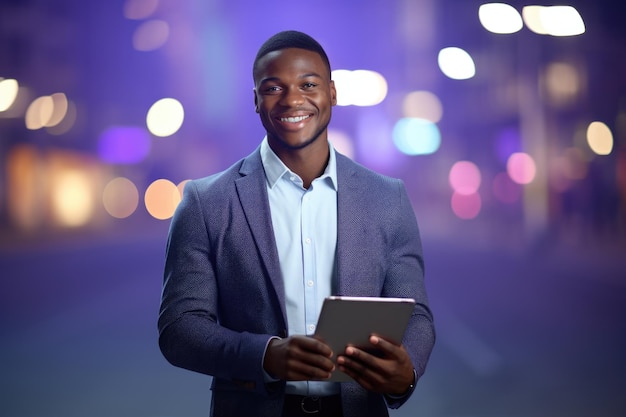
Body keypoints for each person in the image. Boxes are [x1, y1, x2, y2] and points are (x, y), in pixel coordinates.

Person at [158, 30, 435, 417]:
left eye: (308, 84)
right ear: (255, 100)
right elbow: (180, 329)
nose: (292, 99)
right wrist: (267, 355)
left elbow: (416, 312)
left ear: (332, 93)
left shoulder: (387, 197)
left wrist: (407, 373)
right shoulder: (206, 202)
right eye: (273, 88)